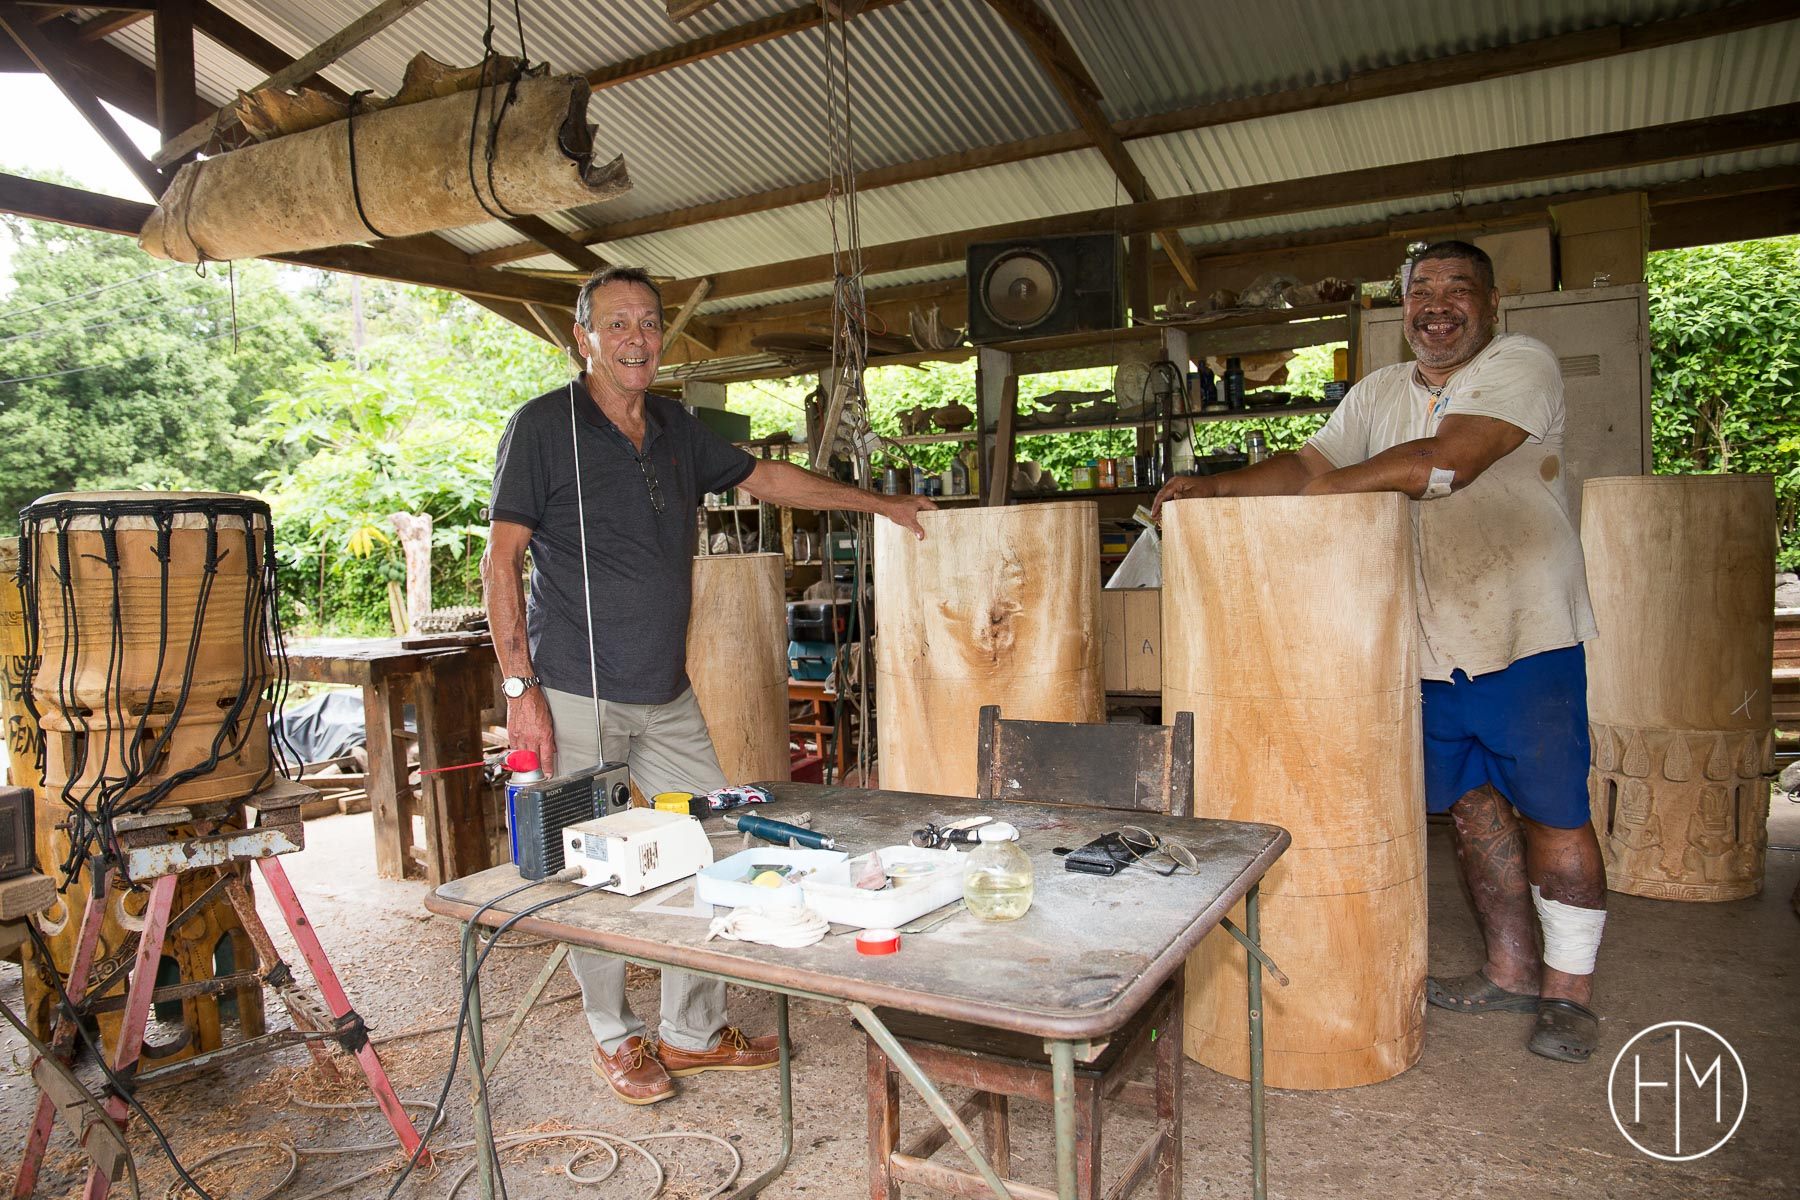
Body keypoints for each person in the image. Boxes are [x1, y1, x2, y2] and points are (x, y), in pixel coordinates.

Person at [483, 265, 935, 1104]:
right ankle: (615, 1038)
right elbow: (501, 560)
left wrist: (876, 504)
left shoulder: (678, 428)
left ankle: (690, 1031)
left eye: (648, 323)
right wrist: (521, 691)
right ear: (582, 338)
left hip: (666, 691)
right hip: (575, 690)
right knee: (589, 869)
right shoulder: (542, 427)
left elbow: (768, 478)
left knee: (716, 844)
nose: (635, 339)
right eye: (615, 324)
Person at [1151, 241, 1607, 1064]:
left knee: (1554, 812)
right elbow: (1307, 463)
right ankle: (1508, 972)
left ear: (1492, 304)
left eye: (1457, 290)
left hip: (1522, 628)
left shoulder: (1520, 363)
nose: (1438, 305)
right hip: (1424, 640)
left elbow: (1449, 461)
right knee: (1469, 808)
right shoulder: (1379, 392)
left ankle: (1569, 994)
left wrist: (1325, 494)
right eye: (1422, 291)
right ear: (1405, 309)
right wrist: (1213, 489)